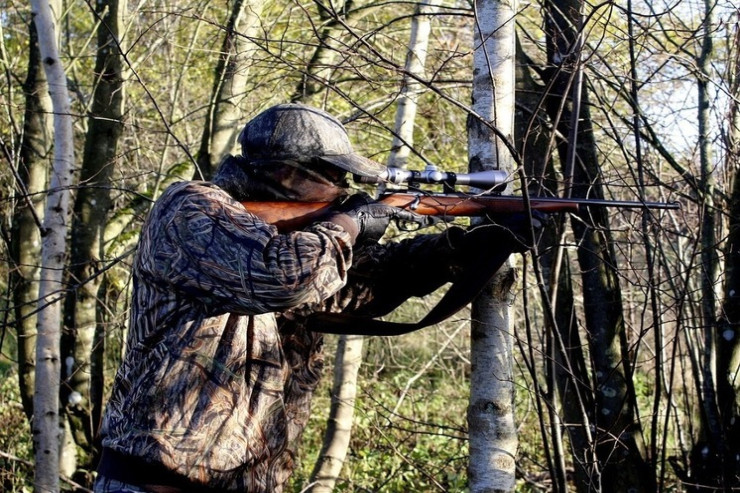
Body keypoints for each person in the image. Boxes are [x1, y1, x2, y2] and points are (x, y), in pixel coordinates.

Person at [94, 103, 530, 492]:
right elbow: (282, 277)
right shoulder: (191, 207)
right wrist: (350, 225)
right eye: (332, 175)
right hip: (154, 482)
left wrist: (465, 249)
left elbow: (355, 291)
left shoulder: (298, 240)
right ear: (285, 172)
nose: (341, 186)